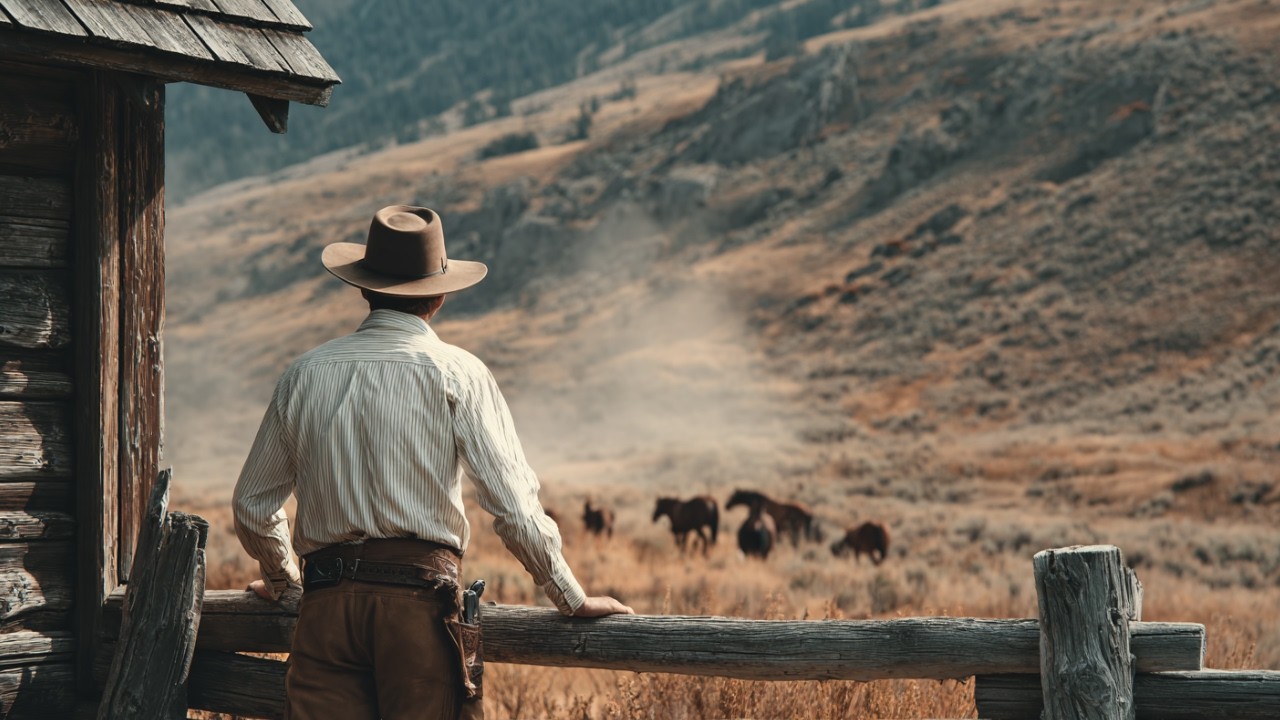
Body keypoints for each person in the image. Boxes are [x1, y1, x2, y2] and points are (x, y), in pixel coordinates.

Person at [233, 205, 632, 720]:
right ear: (440, 297)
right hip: (418, 607)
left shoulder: (304, 374)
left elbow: (252, 504)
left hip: (326, 607)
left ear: (363, 288)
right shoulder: (459, 373)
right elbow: (513, 506)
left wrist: (289, 581)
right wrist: (570, 596)